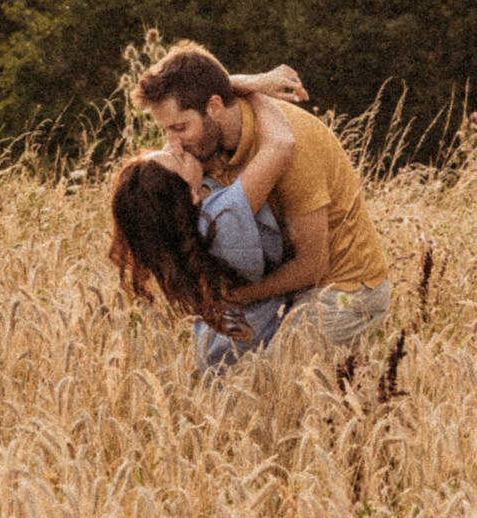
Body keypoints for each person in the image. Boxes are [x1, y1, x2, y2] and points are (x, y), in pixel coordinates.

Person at [134, 41, 394, 348]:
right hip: (278, 289)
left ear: (214, 108)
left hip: (343, 288)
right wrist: (253, 83)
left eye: (179, 128)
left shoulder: (291, 142)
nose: (173, 143)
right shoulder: (199, 147)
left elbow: (313, 265)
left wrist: (234, 296)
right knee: (219, 364)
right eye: (166, 130)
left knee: (274, 371)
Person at [108, 73, 300, 368]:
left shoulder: (180, 222)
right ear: (186, 195)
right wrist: (255, 91)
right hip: (245, 352)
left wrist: (214, 93)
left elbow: (192, 104)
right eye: (174, 158)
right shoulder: (222, 219)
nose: (174, 145)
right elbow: (282, 143)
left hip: (220, 345)